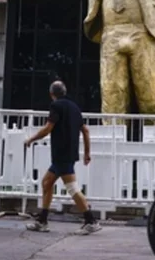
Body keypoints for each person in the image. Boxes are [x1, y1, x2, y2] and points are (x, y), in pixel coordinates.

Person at [24, 80, 102, 235]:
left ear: (51, 94)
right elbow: (85, 131)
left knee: (72, 188)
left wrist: (31, 139)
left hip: (61, 153)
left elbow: (48, 128)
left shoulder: (56, 106)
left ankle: (91, 221)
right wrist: (87, 153)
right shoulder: (74, 107)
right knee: (47, 183)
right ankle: (42, 220)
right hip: (68, 153)